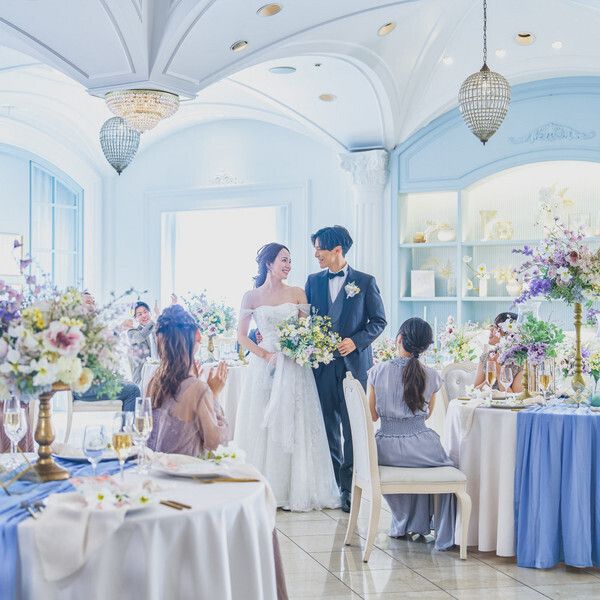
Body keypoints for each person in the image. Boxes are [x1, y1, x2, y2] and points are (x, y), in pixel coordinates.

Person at [235, 243, 339, 511]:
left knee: (295, 421)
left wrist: (299, 348)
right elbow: (242, 336)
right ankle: (264, 487)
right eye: (283, 260)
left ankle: (296, 489)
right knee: (264, 423)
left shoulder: (297, 293)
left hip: (294, 365)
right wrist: (264, 354)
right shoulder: (251, 297)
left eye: (290, 261)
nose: (288, 265)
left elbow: (306, 332)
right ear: (268, 263)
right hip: (264, 366)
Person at [305, 225, 386, 512]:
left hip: (354, 366)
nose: (316, 254)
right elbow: (303, 319)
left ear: (337, 249)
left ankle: (351, 488)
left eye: (319, 248)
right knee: (327, 424)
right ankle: (334, 486)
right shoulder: (313, 282)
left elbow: (379, 321)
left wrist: (356, 341)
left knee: (353, 427)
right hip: (322, 366)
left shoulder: (365, 281)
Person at [368, 317, 456, 550]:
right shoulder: (432, 375)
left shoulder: (377, 371)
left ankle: (404, 521)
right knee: (448, 468)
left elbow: (372, 416)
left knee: (418, 469)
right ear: (425, 346)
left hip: (385, 450)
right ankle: (439, 530)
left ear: (399, 339)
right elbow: (426, 415)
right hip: (421, 447)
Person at [146, 304, 229, 455]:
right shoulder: (198, 389)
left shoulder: (154, 381)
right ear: (197, 336)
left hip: (155, 466)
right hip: (186, 468)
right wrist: (213, 395)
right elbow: (216, 443)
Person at [75, 291, 140, 411]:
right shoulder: (79, 328)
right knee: (133, 390)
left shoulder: (90, 326)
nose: (93, 304)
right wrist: (119, 328)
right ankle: (128, 424)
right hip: (84, 387)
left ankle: (126, 422)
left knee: (129, 384)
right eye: (88, 302)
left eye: (94, 302)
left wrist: (120, 328)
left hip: (91, 382)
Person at [474, 311, 523, 393]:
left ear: (510, 334)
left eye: (497, 327)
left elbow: (515, 398)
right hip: (487, 401)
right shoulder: (486, 357)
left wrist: (498, 369)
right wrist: (488, 380)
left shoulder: (521, 361)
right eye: (492, 326)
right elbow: (475, 392)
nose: (491, 329)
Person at [124, 301, 157, 387]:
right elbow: (141, 336)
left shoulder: (156, 330)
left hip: (157, 375)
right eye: (139, 314)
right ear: (135, 318)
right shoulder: (132, 332)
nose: (144, 315)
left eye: (145, 312)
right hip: (142, 378)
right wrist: (154, 319)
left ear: (149, 313)